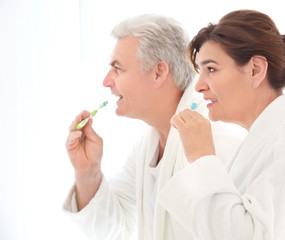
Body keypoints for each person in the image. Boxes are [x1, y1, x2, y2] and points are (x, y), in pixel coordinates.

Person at [169, 10, 285, 239]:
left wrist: (202, 157)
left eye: (211, 69)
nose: (199, 86)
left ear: (256, 70)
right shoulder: (270, 141)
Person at [63, 14, 242, 240]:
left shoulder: (214, 140)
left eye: (117, 68)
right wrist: (86, 172)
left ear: (159, 72)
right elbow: (113, 228)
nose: (106, 81)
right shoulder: (148, 145)